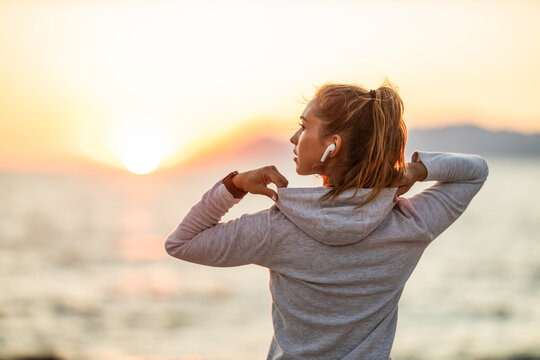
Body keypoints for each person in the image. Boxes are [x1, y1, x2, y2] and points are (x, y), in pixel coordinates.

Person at [165, 80, 489, 360]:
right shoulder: (410, 224)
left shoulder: (276, 228)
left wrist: (234, 185)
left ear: (332, 146)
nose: (294, 138)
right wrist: (417, 170)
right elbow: (475, 172)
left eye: (304, 126)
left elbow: (182, 243)